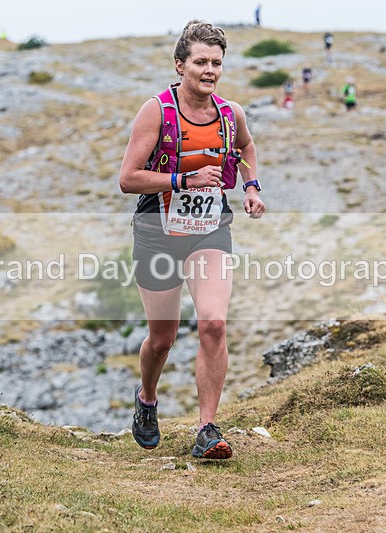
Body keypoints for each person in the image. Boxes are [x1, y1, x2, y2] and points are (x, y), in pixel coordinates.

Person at [119, 20, 265, 460]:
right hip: (157, 234)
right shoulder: (156, 112)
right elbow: (128, 179)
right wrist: (183, 179)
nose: (210, 70)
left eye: (217, 63)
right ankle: (147, 400)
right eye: (201, 62)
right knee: (162, 338)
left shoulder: (229, 113)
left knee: (214, 324)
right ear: (180, 64)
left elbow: (246, 149)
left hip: (210, 231)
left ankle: (207, 428)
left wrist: (252, 187)